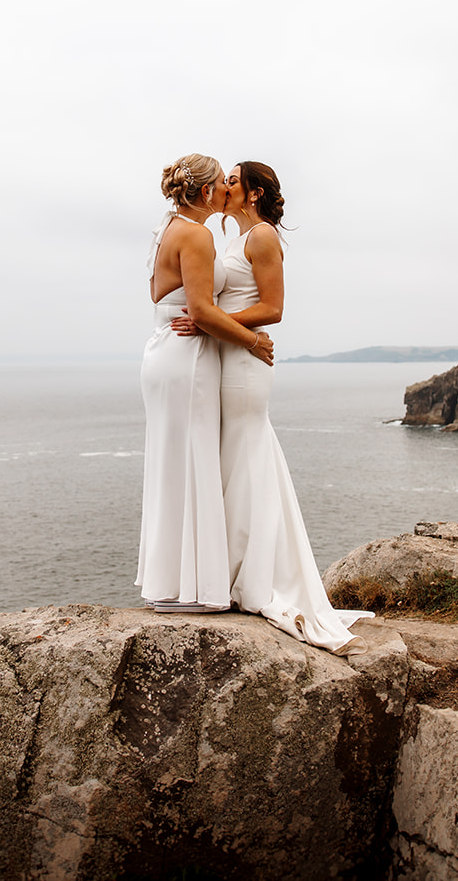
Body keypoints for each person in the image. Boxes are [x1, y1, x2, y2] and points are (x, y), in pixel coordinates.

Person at [175, 161, 371, 654]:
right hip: (229, 353)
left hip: (244, 363)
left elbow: (274, 308)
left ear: (255, 192)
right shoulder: (230, 239)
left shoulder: (262, 237)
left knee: (246, 454)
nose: (225, 187)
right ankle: (236, 571)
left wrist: (211, 321)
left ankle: (256, 578)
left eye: (234, 181)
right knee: (234, 459)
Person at [139, 154, 275, 614]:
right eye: (221, 183)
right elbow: (199, 312)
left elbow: (161, 295)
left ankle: (173, 583)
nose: (226, 189)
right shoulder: (196, 234)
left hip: (164, 350)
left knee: (173, 462)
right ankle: (193, 589)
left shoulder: (169, 229)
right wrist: (252, 340)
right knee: (192, 461)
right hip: (188, 357)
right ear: (204, 193)